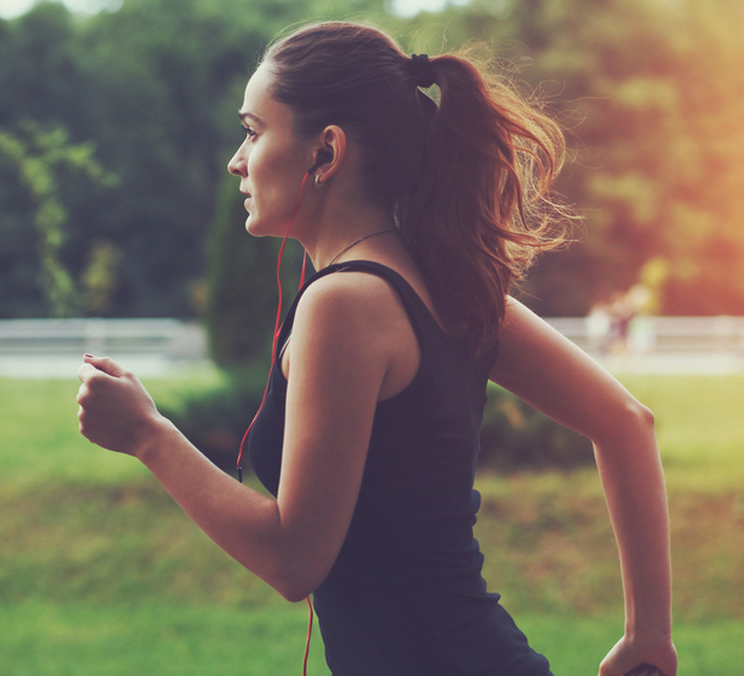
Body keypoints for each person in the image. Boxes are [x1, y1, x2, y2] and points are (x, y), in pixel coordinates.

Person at [76, 21, 676, 676]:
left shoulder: (345, 305)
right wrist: (648, 636)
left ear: (325, 153)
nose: (236, 160)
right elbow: (626, 424)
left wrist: (148, 436)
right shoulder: (449, 282)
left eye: (253, 131)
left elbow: (293, 560)